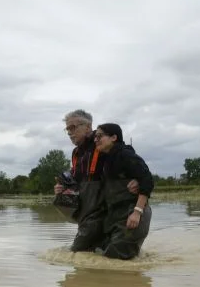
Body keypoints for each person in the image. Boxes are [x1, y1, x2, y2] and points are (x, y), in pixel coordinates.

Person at [53, 110, 138, 253]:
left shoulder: (102, 142)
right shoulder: (76, 153)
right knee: (95, 253)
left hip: (107, 210)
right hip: (86, 213)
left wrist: (136, 178)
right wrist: (62, 187)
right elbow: (76, 180)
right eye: (67, 129)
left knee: (77, 252)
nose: (69, 132)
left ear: (88, 127)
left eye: (73, 127)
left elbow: (126, 154)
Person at [90, 122, 154, 260]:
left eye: (99, 136)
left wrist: (137, 212)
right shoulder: (106, 158)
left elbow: (147, 179)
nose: (96, 140)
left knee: (114, 261)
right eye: (95, 137)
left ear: (113, 137)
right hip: (116, 217)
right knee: (103, 255)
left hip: (133, 215)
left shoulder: (125, 155)